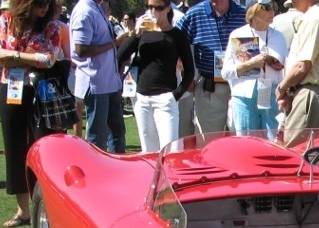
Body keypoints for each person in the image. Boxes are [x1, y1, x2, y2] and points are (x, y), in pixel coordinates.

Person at [0, 0, 62, 227]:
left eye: (47, 4)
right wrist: (32, 56)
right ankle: (23, 211)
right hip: (10, 87)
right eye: (39, 4)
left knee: (44, 146)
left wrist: (15, 56)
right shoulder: (6, 20)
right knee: (14, 146)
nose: (43, 9)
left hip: (41, 90)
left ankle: (49, 208)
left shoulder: (51, 26)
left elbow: (49, 59)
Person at [117, 1, 193, 151]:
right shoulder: (142, 33)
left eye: (158, 7)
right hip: (141, 98)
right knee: (148, 150)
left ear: (168, 8)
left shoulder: (177, 35)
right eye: (149, 7)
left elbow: (189, 71)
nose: (153, 11)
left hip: (166, 98)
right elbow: (120, 56)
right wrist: (136, 34)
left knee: (169, 150)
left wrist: (175, 95)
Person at [178, 0, 246, 134]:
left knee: (242, 141)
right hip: (209, 89)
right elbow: (173, 42)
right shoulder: (195, 14)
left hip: (240, 87)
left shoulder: (244, 14)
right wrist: (185, 73)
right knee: (208, 143)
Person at [220, 0, 284, 134]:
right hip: (244, 98)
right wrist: (249, 64)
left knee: (274, 144)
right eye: (266, 8)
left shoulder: (279, 36)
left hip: (271, 96)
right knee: (247, 143)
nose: (272, 11)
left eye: (273, 7)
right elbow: (225, 73)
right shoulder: (238, 35)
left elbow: (286, 69)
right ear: (253, 11)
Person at [70, 0, 125, 153]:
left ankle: (117, 172)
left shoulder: (96, 8)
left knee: (117, 134)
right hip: (95, 83)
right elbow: (81, 50)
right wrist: (114, 43)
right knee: (97, 139)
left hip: (110, 82)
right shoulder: (84, 11)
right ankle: (96, 175)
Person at [275, 0, 319, 144]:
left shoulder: (314, 19)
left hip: (309, 93)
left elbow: (302, 66)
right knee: (311, 153)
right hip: (313, 92)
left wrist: (282, 87)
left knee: (296, 151)